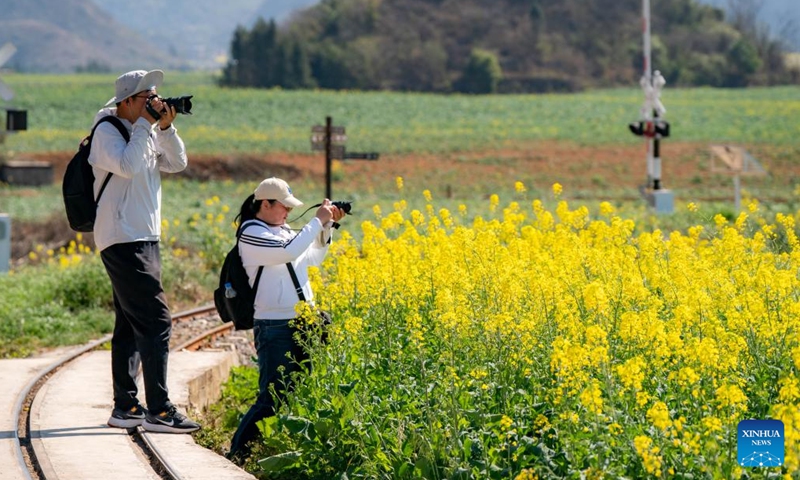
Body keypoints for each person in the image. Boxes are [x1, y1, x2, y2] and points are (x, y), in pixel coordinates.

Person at [91, 69, 200, 433]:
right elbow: (127, 165)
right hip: (122, 237)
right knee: (156, 322)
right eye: (146, 98)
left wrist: (165, 129)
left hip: (144, 236)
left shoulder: (147, 131)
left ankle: (126, 407)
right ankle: (160, 410)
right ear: (125, 102)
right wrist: (145, 127)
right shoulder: (106, 132)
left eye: (156, 96)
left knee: (129, 324)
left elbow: (177, 163)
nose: (154, 103)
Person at [227, 177, 344, 460]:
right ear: (265, 204)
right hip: (274, 325)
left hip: (302, 321)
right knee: (271, 397)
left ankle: (268, 449)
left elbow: (312, 258)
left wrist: (327, 226)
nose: (288, 213)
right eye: (284, 207)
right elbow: (289, 252)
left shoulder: (281, 231)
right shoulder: (251, 232)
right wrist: (316, 221)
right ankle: (237, 453)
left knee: (296, 392)